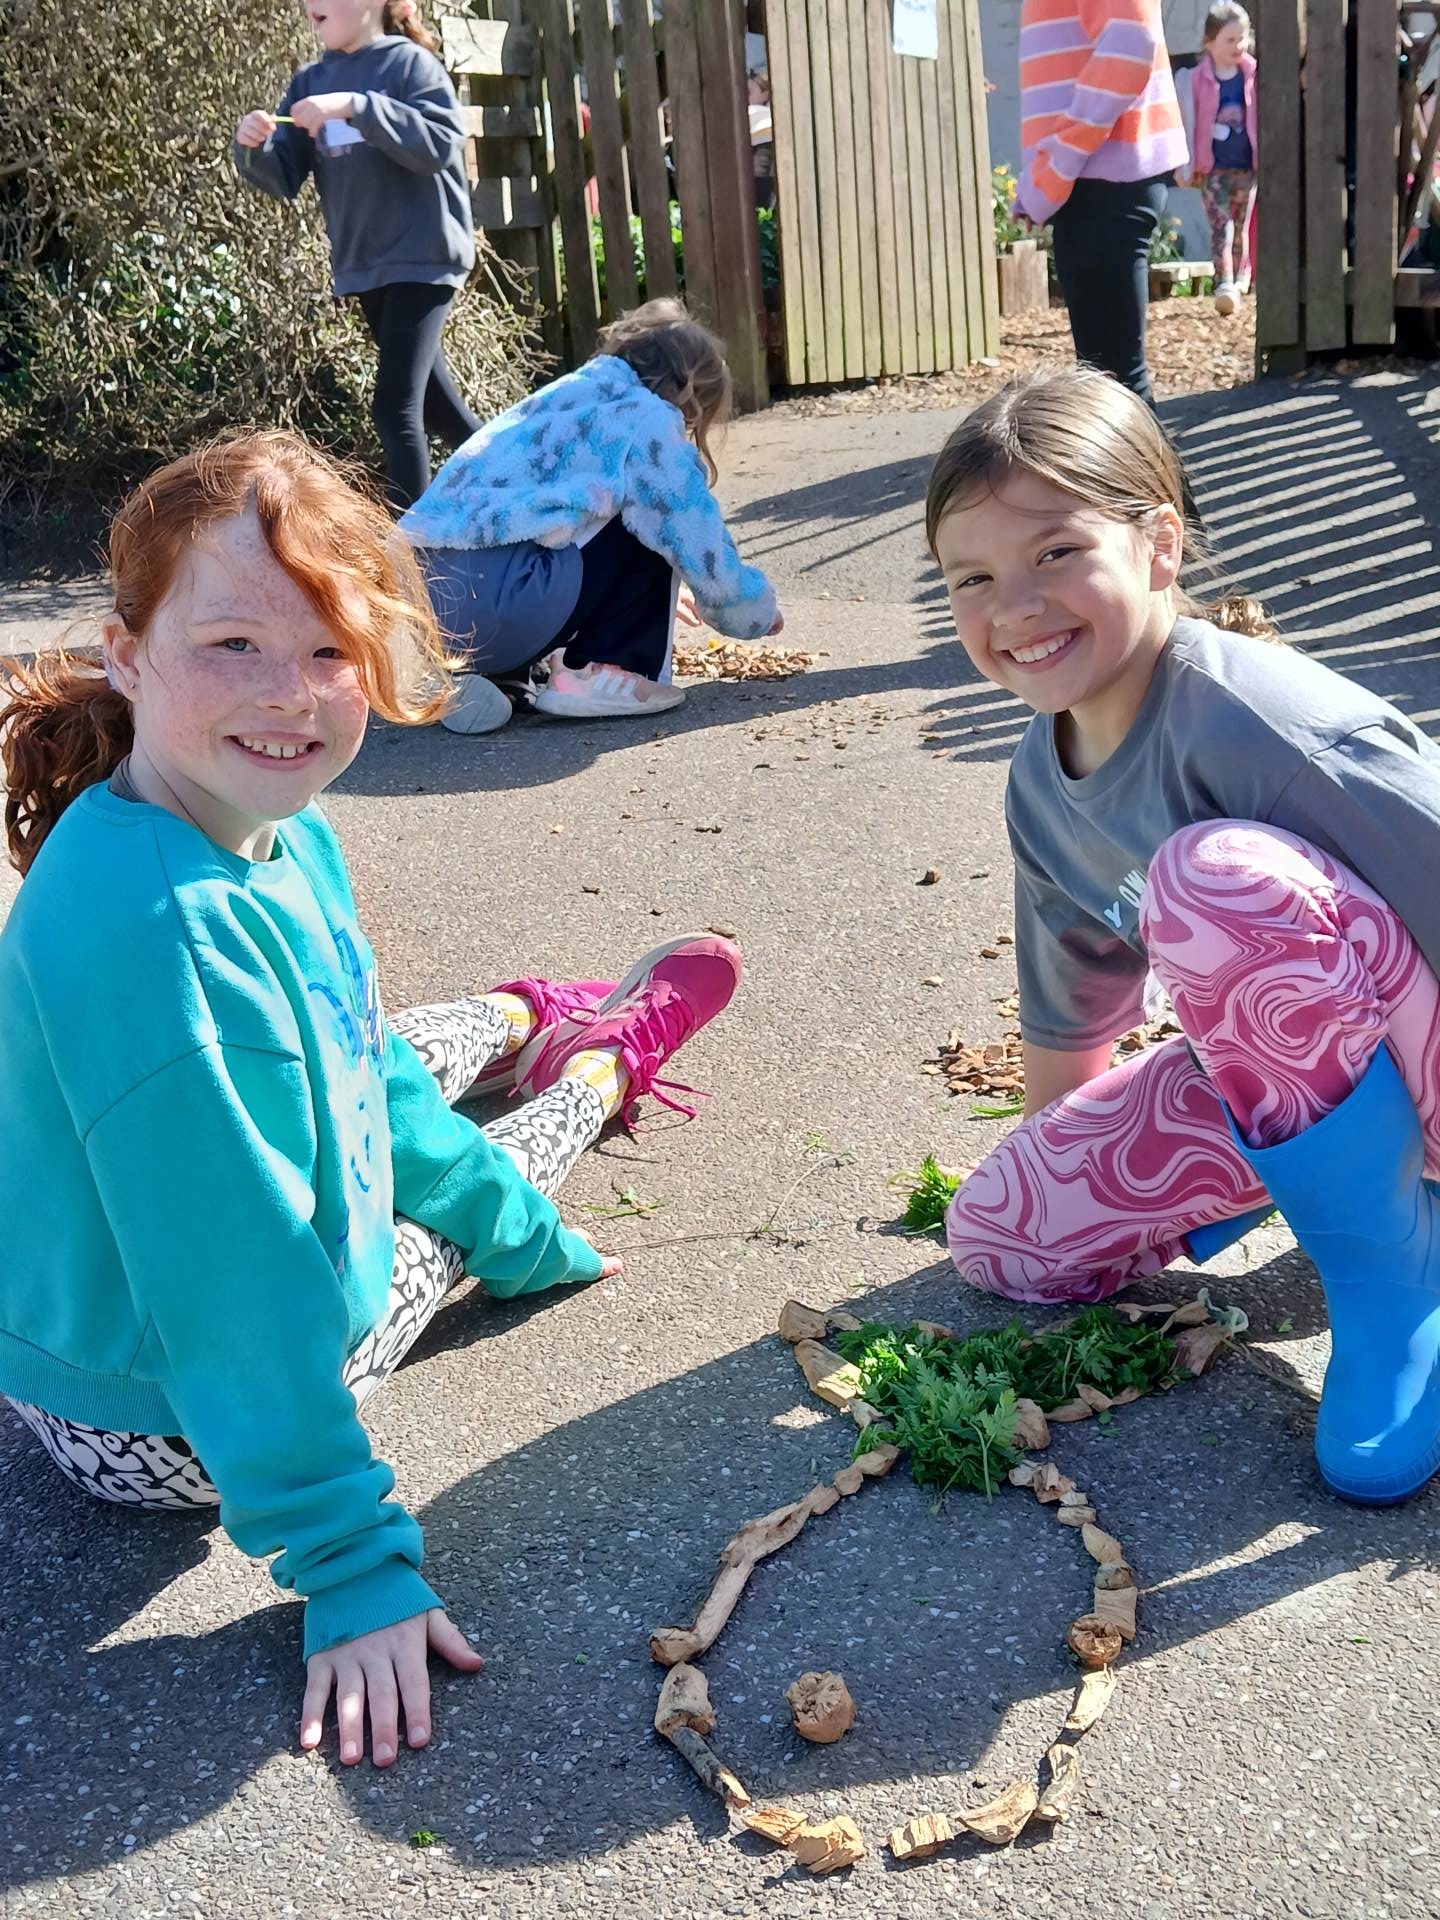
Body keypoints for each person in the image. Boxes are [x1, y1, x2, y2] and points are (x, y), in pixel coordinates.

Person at [0, 431, 743, 1767]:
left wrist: (491, 1207)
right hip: (154, 1422)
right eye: (233, 643)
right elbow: (235, 1275)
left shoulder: (267, 826)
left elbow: (361, 1061)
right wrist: (350, 1558)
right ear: (128, 653)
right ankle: (596, 1068)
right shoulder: (155, 937)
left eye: (330, 649)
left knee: (375, 1041)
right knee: (435, 1213)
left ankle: (518, 1012)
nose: (289, 693)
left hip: (105, 1306)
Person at [931, 370, 1440, 1509]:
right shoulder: (1041, 780)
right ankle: (1353, 1189)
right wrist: (1067, 1170)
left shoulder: (1262, 725)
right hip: (1316, 1081)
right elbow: (1071, 1019)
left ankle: (1394, 1275)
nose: (1017, 606)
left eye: (1056, 553)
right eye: (974, 577)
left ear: (1160, 544)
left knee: (1214, 882)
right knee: (1001, 1237)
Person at [400, 298, 782, 733]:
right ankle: (607, 668)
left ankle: (497, 677)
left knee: (562, 523)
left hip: (429, 609)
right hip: (511, 604)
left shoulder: (561, 398)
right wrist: (749, 608)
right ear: (689, 396)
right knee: (655, 512)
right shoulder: (646, 417)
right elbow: (693, 532)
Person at [234, 0, 480, 510]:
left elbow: (439, 144)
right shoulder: (309, 82)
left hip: (424, 257)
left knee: (394, 409)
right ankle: (527, 481)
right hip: (367, 267)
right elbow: (283, 175)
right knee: (438, 410)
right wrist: (253, 147)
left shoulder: (410, 65)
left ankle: (412, 548)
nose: (311, 6)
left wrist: (356, 107)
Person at [1014, 0, 1189, 407]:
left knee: (1113, 392)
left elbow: (1131, 45)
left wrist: (1055, 164)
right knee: (1110, 389)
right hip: (1096, 176)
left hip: (1099, 177)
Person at [1177, 5, 1258, 317]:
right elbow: (1188, 119)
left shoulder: (1252, 75)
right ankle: (1223, 282)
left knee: (1241, 224)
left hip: (1246, 165)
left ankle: (1240, 278)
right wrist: (1187, 164)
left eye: (1243, 38)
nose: (1239, 45)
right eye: (1230, 40)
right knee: (1220, 225)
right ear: (1209, 43)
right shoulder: (1198, 79)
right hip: (1212, 167)